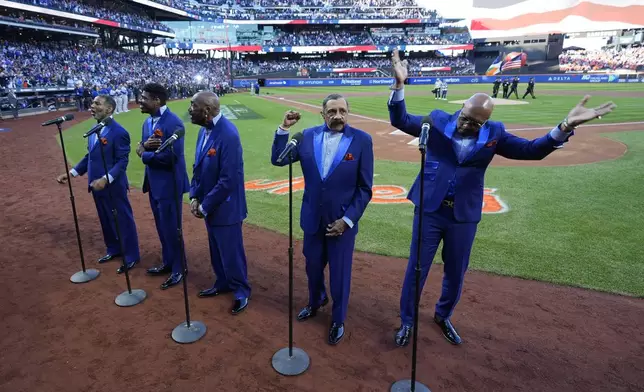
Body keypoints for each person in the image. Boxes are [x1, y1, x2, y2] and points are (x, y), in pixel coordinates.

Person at [386, 49, 616, 346]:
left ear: (487, 121)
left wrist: (564, 127)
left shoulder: (495, 132)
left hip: (464, 216)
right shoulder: (437, 120)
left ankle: (443, 316)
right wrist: (399, 85)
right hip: (430, 209)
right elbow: (399, 118)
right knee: (417, 268)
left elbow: (531, 150)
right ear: (462, 110)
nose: (469, 125)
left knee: (456, 273)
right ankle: (407, 321)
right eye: (467, 119)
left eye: (477, 123)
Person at [270, 94, 374, 345]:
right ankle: (316, 301)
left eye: (342, 111)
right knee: (312, 268)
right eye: (332, 111)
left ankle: (338, 318)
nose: (337, 116)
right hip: (312, 220)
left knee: (339, 274)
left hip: (342, 224)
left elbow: (364, 189)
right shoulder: (306, 137)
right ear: (322, 114)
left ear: (348, 113)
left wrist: (347, 220)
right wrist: (284, 129)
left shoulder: (362, 141)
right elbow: (278, 159)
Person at [56, 95, 141, 274]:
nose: (92, 106)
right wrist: (71, 173)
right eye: (92, 103)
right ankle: (113, 249)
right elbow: (90, 156)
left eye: (97, 103)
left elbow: (122, 162)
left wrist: (106, 178)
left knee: (123, 220)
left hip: (113, 186)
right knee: (105, 219)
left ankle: (131, 255)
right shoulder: (93, 129)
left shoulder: (119, 132)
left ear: (109, 109)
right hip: (95, 184)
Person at [188, 91, 251, 315]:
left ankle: (241, 291)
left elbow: (228, 180)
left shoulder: (228, 134)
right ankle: (222, 282)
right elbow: (197, 168)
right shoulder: (203, 132)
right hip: (209, 205)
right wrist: (194, 195)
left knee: (231, 252)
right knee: (216, 250)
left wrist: (204, 206)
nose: (189, 110)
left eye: (193, 106)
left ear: (206, 111)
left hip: (226, 207)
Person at [136, 83, 190, 290]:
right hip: (154, 184)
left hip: (169, 185)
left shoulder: (173, 123)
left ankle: (179, 268)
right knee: (161, 227)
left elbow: (170, 158)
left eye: (144, 98)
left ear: (156, 100)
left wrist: (143, 154)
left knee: (172, 228)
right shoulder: (147, 122)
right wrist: (144, 149)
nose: (140, 101)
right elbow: (143, 145)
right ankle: (168, 262)